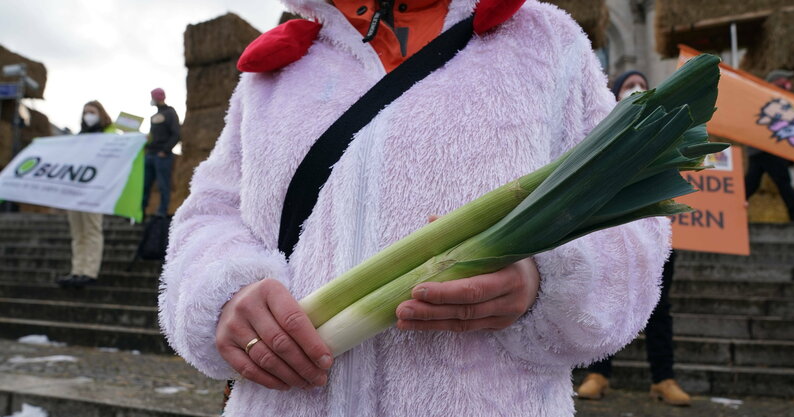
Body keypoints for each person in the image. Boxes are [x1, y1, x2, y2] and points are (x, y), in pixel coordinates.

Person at [159, 1, 672, 415]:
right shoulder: (276, 72)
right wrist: (225, 289)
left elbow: (633, 219)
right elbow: (211, 211)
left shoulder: (545, 44)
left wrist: (547, 278)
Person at [575, 70, 691, 406]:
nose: (637, 90)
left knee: (659, 308)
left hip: (657, 239)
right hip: (612, 238)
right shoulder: (602, 136)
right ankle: (598, 373)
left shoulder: (665, 135)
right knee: (606, 302)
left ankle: (664, 378)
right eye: (629, 85)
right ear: (614, 93)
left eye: (642, 85)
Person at [744, 69, 794, 222]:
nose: (787, 84)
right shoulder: (767, 98)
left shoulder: (775, 99)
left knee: (751, 183)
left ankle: (728, 207)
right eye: (784, 81)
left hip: (760, 148)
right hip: (765, 148)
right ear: (776, 82)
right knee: (782, 179)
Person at [56, 101, 115, 288]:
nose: (88, 115)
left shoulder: (109, 134)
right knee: (78, 233)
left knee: (91, 230)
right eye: (85, 112)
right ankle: (77, 270)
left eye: (91, 112)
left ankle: (89, 271)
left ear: (100, 113)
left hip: (94, 191)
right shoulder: (80, 137)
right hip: (76, 191)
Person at [142, 87, 179, 217]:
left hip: (162, 155)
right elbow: (153, 135)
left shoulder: (170, 113)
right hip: (150, 154)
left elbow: (176, 134)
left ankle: (162, 211)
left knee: (163, 184)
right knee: (145, 184)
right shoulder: (153, 116)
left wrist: (165, 150)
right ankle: (141, 211)